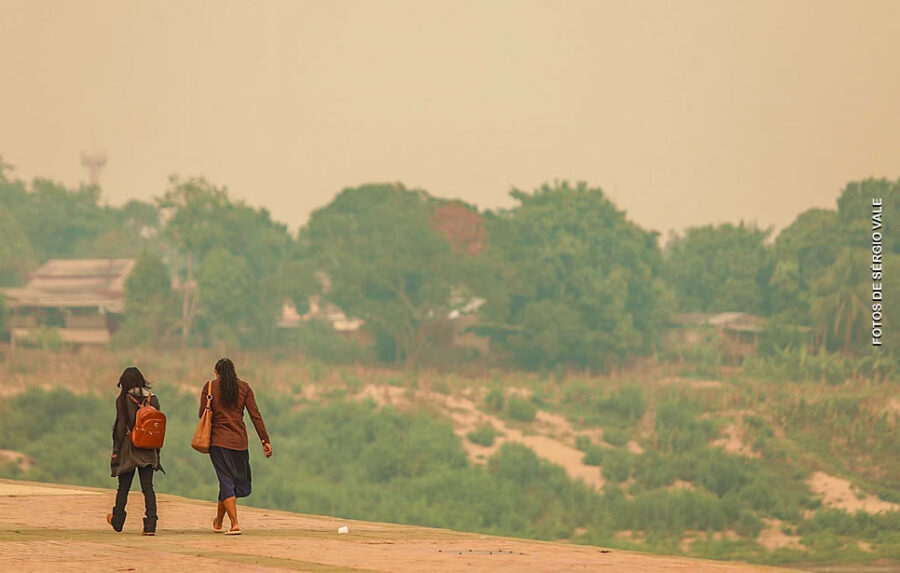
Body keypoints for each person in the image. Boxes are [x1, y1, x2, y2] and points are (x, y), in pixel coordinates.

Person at [201, 357, 272, 535]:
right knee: (227, 482)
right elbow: (255, 415)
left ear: (217, 373)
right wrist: (265, 440)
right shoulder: (244, 388)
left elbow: (202, 413)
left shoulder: (210, 387)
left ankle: (234, 524)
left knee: (226, 481)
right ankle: (218, 523)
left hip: (218, 442)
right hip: (240, 442)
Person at [107, 367, 164, 535]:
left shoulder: (123, 400)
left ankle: (118, 520)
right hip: (148, 448)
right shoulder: (153, 399)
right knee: (148, 487)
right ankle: (150, 525)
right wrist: (157, 453)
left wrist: (115, 452)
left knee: (123, 487)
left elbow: (119, 427)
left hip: (129, 449)